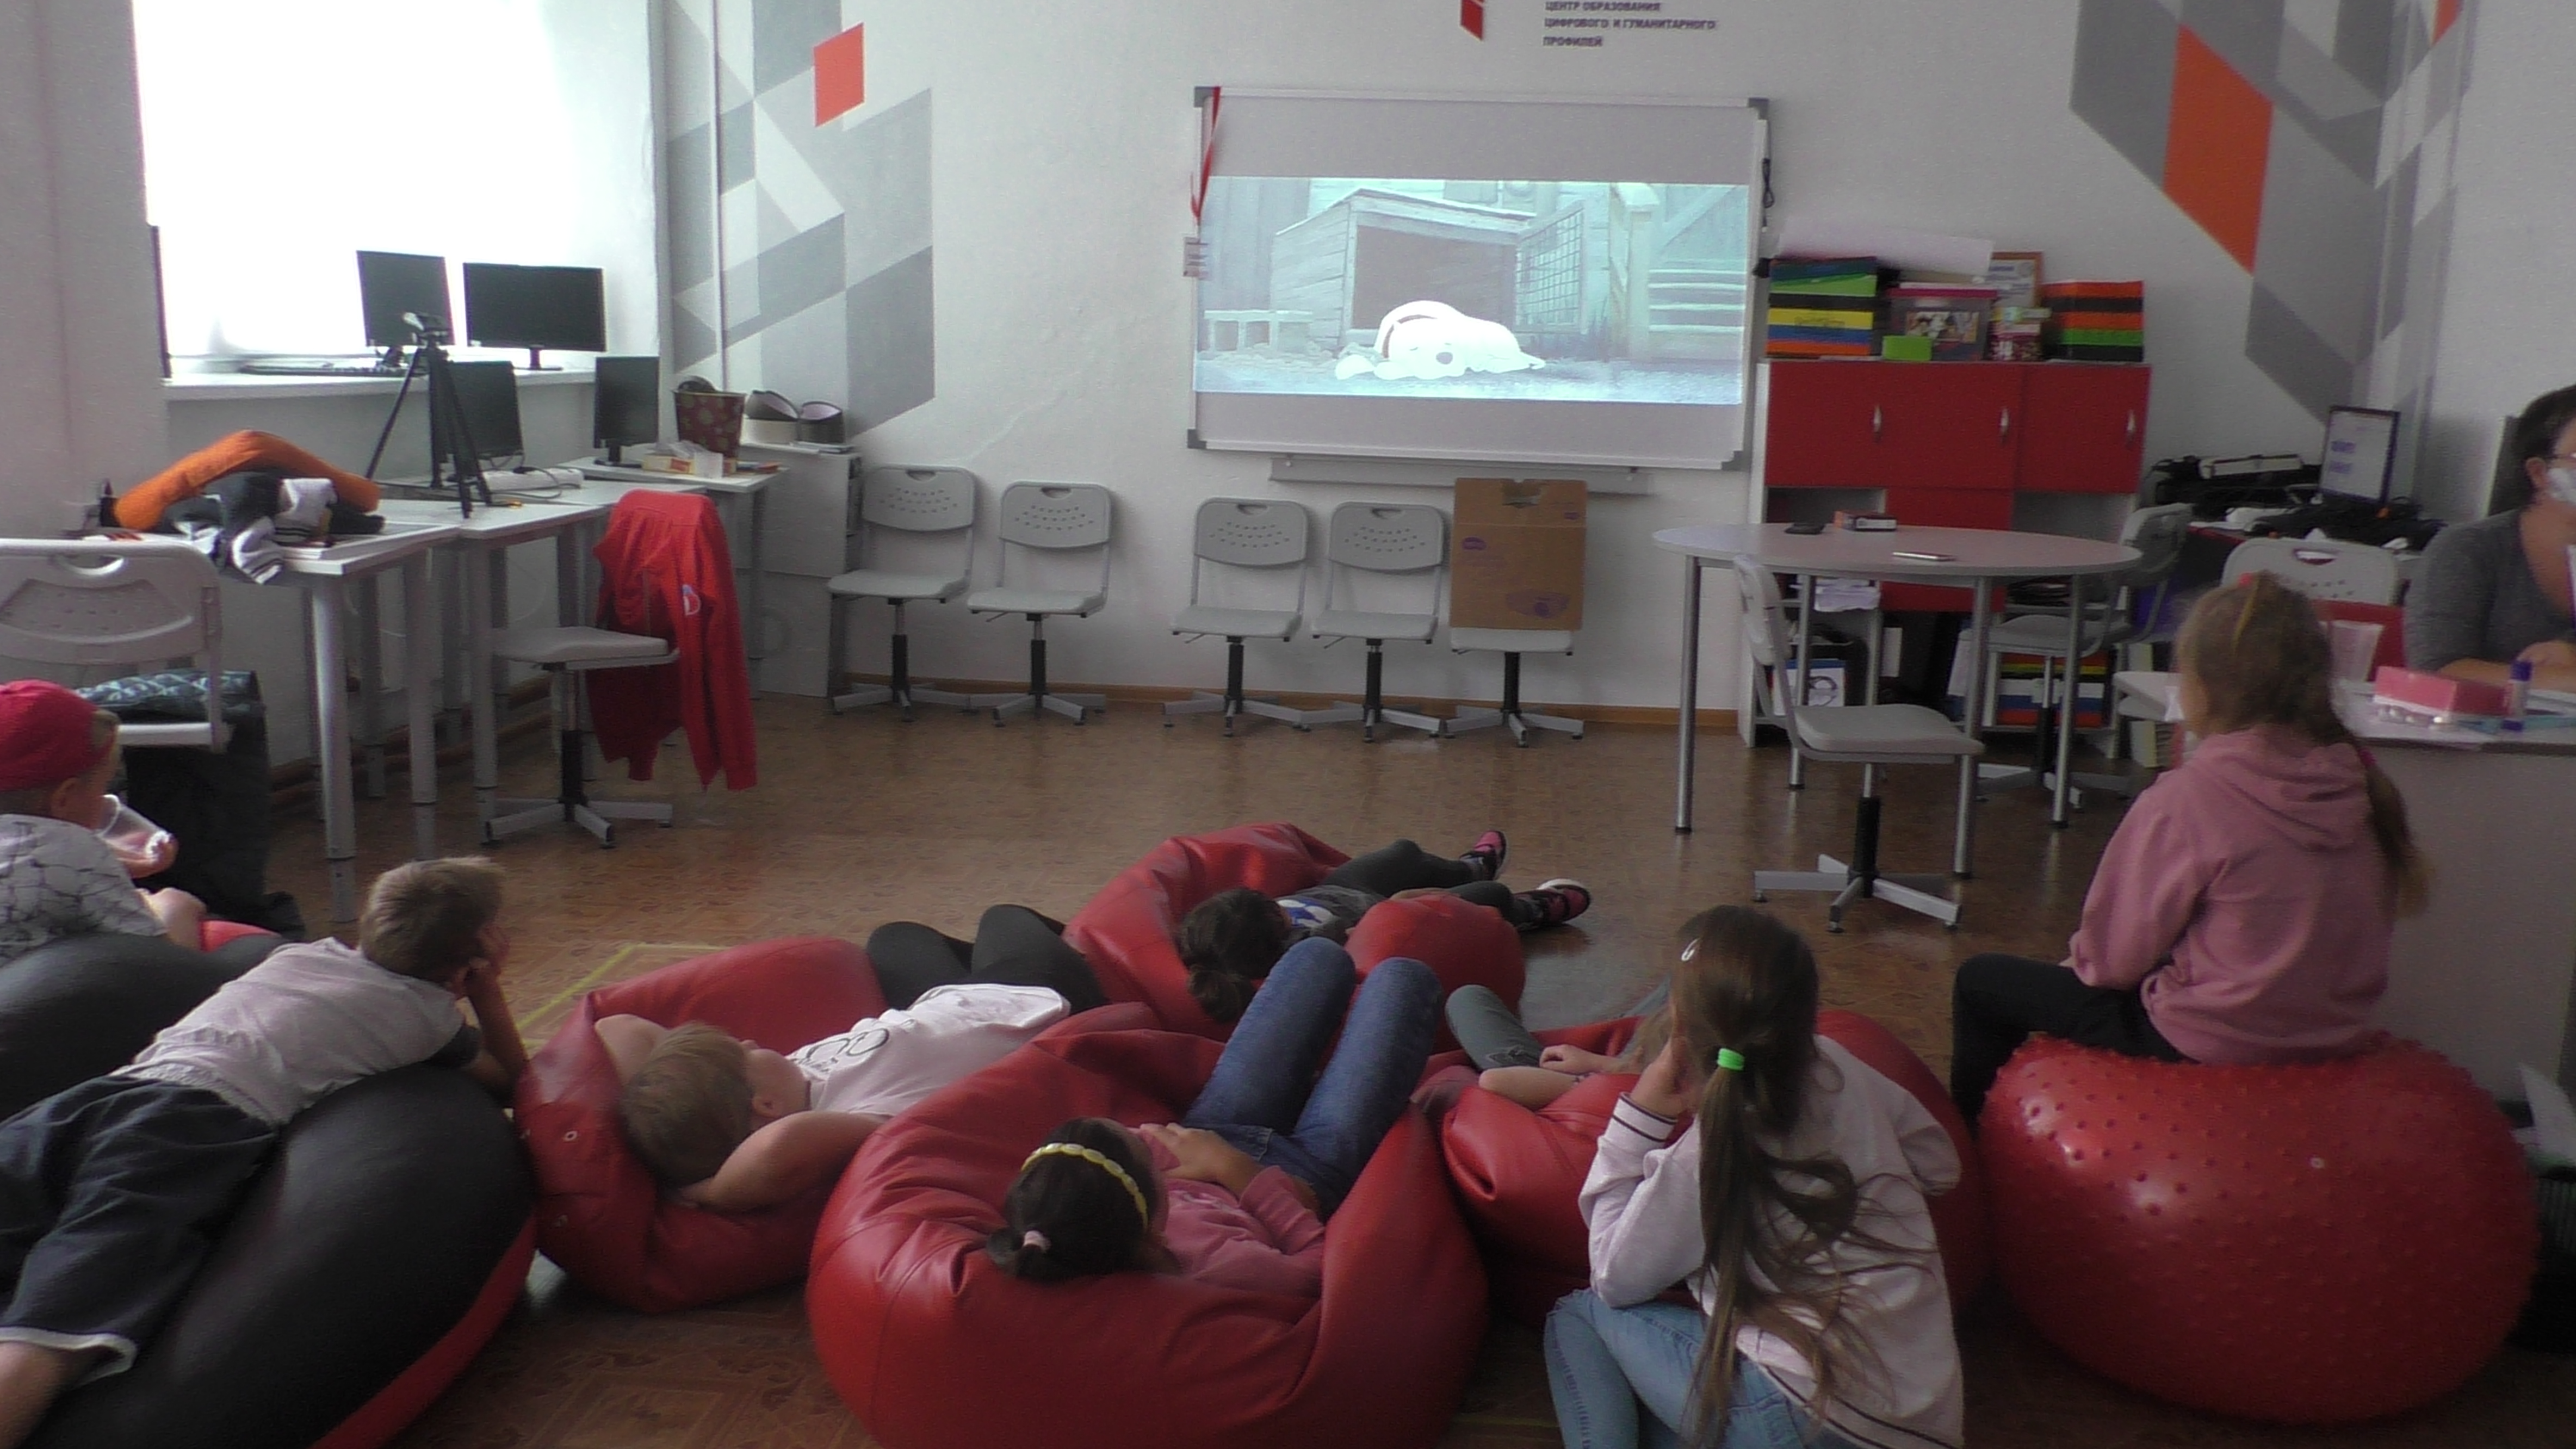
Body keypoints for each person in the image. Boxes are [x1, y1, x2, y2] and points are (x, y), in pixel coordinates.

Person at [0, 857, 525, 1449]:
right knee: (62, 1322)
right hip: (187, 1130)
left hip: (97, 1099)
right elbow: (513, 1084)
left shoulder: (294, 957)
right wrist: (487, 992)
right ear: (474, 954)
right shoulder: (425, 1019)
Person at [1949, 574, 2429, 1127]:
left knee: (1982, 982)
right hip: (2332, 1036)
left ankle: (1969, 1151)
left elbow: (2110, 964)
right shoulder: (2357, 784)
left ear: (2199, 685)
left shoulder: (2188, 798)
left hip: (2208, 1039)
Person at [1547, 907, 1960, 1449]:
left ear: (1677, 1033)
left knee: (1578, 1315)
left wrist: (1637, 1122)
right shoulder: (1836, 1064)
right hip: (1921, 1425)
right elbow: (1940, 1166)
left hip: (1795, 1416)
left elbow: (1612, 1279)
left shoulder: (1702, 1158)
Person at [988, 939, 1440, 1295]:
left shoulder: (1082, 1209)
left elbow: (1141, 1147)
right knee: (1404, 979)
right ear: (1151, 1231)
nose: (1144, 1137)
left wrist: (1208, 1153)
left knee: (1317, 955)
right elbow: (1314, 1268)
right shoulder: (1224, 1266)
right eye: (1142, 1152)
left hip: (1215, 1129)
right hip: (1307, 1175)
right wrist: (1240, 1173)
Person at [604, 981, 1070, 1211]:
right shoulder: (850, 1116)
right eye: (744, 1053)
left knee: (894, 938)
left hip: (946, 997)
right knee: (1003, 922)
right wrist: (701, 1192)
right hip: (1037, 1003)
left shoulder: (784, 1083)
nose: (748, 1041)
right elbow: (773, 1152)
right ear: (766, 1105)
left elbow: (617, 1029)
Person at [1178, 832, 1590, 1023]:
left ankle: (1468, 867)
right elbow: (1382, 921)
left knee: (1402, 853)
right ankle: (1527, 910)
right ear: (1276, 933)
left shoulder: (1220, 934)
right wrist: (1410, 901)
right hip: (1382, 911)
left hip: (1340, 891)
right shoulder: (1308, 948)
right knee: (1487, 896)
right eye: (1275, 912)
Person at [0, 679, 207, 962]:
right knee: (247, 947)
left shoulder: (64, 854)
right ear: (64, 798)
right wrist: (174, 907)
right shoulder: (75, 849)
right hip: (44, 989)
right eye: (103, 788)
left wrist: (112, 865)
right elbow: (164, 966)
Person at [2407, 382, 2576, 690]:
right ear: (2539, 473)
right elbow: (2436, 669)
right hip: (2483, 720)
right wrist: (2561, 681)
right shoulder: (2468, 549)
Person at [1445, 983, 1672, 1111]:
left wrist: (1598, 1072)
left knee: (1466, 998)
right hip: (1627, 1077)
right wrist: (1602, 1063)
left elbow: (1494, 1081)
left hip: (1557, 1098)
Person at [863, 904, 1107, 1013]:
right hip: (1025, 1007)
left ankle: (981, 966)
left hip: (929, 1012)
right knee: (1003, 917)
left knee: (895, 935)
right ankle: (1090, 971)